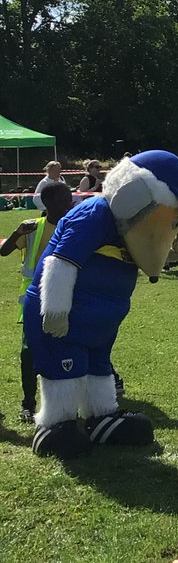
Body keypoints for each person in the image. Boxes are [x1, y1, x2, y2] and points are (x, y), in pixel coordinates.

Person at [1, 180, 73, 422]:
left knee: (66, 349)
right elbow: (4, 251)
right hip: (34, 300)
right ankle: (28, 403)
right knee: (28, 353)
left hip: (65, 297)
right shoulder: (33, 228)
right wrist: (17, 232)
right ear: (47, 203)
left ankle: (64, 403)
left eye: (69, 199)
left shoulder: (74, 226)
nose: (69, 204)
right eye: (63, 200)